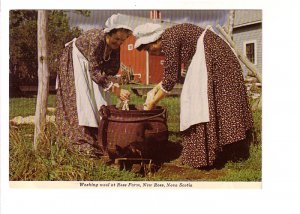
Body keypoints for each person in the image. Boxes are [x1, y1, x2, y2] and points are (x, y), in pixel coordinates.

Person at [133, 23, 253, 168]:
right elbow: (172, 75)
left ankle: (212, 153)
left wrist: (152, 104)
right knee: (211, 102)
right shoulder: (170, 37)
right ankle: (220, 151)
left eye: (148, 48)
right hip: (216, 55)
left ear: (154, 40)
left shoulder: (169, 40)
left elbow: (170, 80)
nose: (150, 53)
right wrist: (154, 89)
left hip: (217, 58)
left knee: (202, 102)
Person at [55, 14, 131, 155]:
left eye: (122, 40)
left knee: (99, 100)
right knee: (80, 100)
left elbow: (112, 68)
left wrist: (115, 86)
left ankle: (99, 137)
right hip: (75, 59)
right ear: (108, 32)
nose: (119, 42)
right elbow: (95, 70)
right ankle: (79, 140)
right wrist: (115, 90)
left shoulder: (115, 46)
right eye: (116, 38)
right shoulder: (97, 39)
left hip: (91, 66)